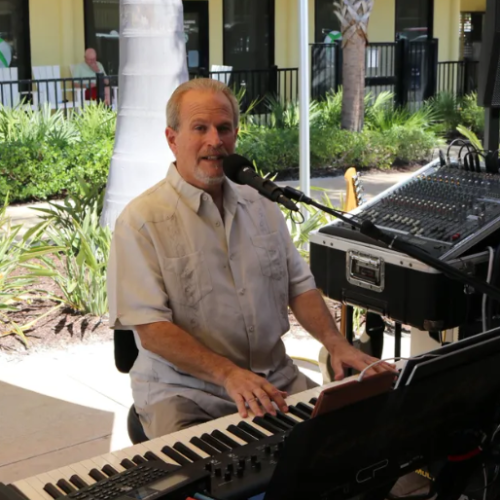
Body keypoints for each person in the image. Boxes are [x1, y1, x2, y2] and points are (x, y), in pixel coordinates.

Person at [107, 78, 394, 439]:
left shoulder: (261, 204)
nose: (215, 140)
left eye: (224, 128)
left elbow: (299, 286)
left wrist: (336, 345)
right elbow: (151, 331)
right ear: (172, 138)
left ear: (236, 135)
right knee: (207, 484)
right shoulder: (141, 221)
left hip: (276, 382)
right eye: (200, 128)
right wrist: (228, 374)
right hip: (186, 394)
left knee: (347, 447)